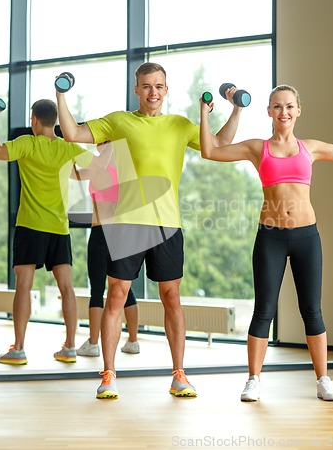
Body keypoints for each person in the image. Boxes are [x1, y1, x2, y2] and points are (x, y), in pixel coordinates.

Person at [56, 61, 243, 399]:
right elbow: (73, 134)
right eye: (146, 86)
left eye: (158, 86)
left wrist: (235, 110)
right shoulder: (118, 121)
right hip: (127, 223)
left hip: (168, 224)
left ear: (166, 89)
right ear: (136, 89)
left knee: (172, 298)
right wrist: (61, 95)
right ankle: (109, 374)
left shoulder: (180, 125)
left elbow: (218, 147)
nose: (153, 92)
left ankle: (179, 374)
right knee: (116, 296)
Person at [199, 84, 333, 402]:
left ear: (298, 110)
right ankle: (253, 380)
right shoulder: (255, 147)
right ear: (268, 111)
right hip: (271, 237)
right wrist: (204, 116)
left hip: (306, 237)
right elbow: (210, 151)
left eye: (289, 106)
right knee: (263, 311)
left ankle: (323, 380)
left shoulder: (310, 148)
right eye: (277, 106)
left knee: (312, 311)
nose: (283, 112)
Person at [0, 99, 90, 365]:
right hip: (59, 228)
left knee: (24, 286)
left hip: (30, 226)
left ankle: (18, 349)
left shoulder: (27, 143)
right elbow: (90, 171)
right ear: (54, 121)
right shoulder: (67, 147)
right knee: (67, 287)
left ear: (34, 121)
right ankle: (71, 347)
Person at [72, 141, 140, 357]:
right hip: (121, 232)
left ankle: (93, 343)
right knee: (123, 288)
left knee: (97, 289)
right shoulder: (123, 169)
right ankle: (133, 340)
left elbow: (76, 175)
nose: (98, 145)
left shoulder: (98, 168)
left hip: (102, 231)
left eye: (102, 142)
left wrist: (70, 153)